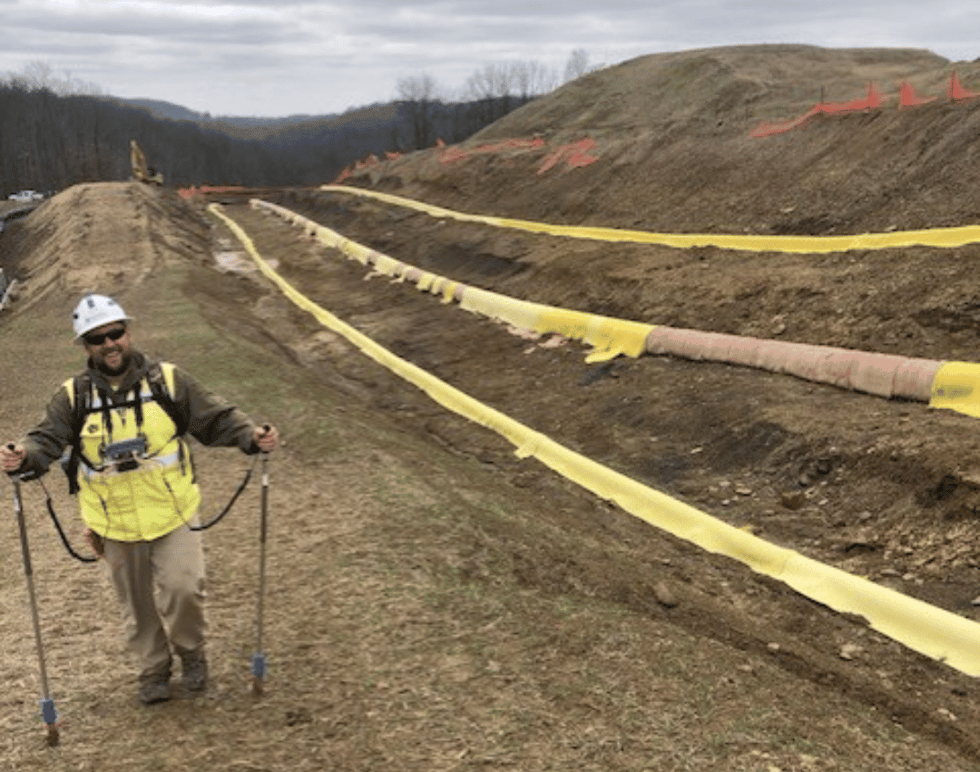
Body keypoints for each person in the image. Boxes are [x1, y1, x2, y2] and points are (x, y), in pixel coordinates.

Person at [1, 293, 280, 705]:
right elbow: (46, 439)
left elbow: (214, 417)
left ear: (128, 332)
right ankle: (153, 669)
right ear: (85, 346)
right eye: (97, 339)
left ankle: (191, 652)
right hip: (113, 523)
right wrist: (23, 457)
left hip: (173, 512)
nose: (109, 344)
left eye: (116, 333)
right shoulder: (73, 396)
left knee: (184, 588)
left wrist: (252, 437)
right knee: (136, 604)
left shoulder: (168, 381)